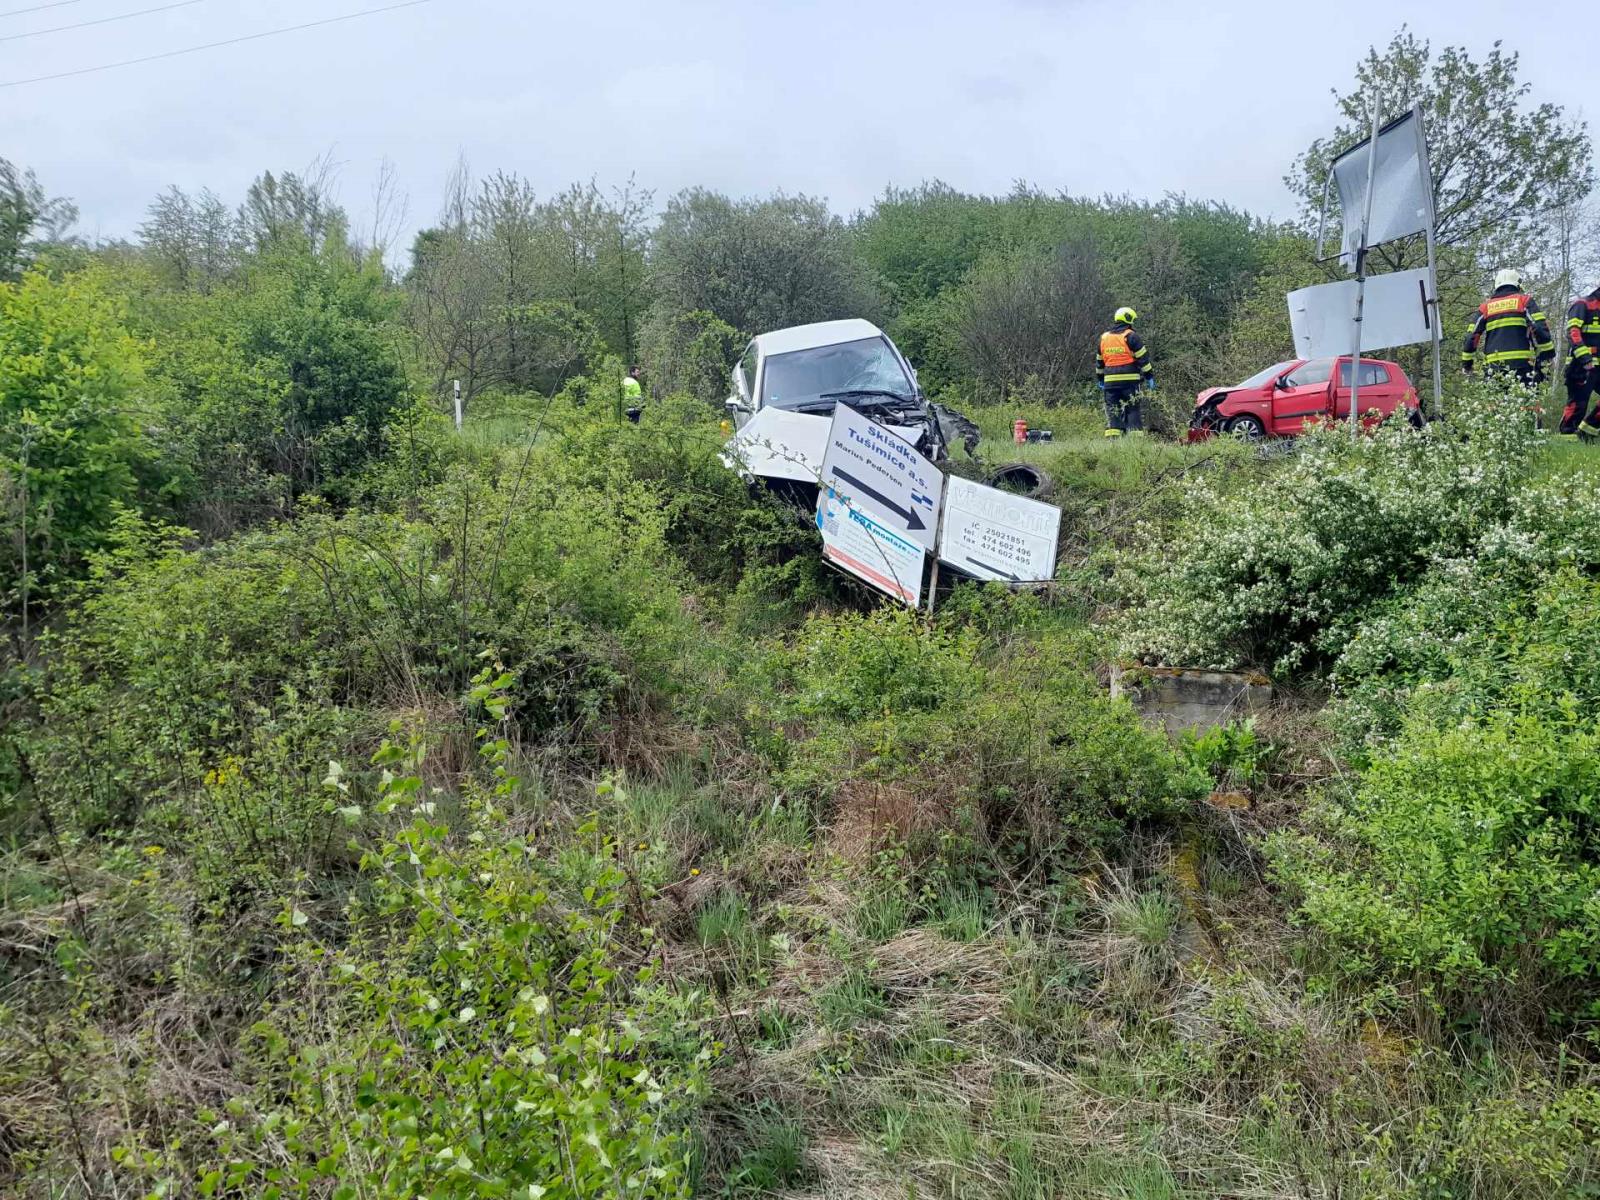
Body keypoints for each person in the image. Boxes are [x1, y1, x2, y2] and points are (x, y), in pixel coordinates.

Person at [1461, 269, 1555, 387]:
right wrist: (1548, 355)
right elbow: (1540, 329)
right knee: (1527, 404)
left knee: (1495, 404)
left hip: (1494, 369)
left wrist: (1467, 364)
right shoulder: (1524, 301)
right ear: (1517, 285)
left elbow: (1471, 337)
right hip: (1523, 367)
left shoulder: (1485, 307)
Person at [1096, 306, 1155, 437]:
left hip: (1110, 383)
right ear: (1128, 320)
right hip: (1130, 382)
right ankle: (1135, 442)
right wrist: (1149, 376)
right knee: (1132, 409)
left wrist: (1100, 379)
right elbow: (1143, 359)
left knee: (1113, 411)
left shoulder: (1104, 338)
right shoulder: (1131, 336)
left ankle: (1114, 441)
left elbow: (1099, 362)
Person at [1559, 284, 1600, 438]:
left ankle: (1587, 432)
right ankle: (1567, 436)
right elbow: (1573, 332)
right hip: (1581, 366)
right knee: (1578, 405)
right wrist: (1585, 358)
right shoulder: (1582, 304)